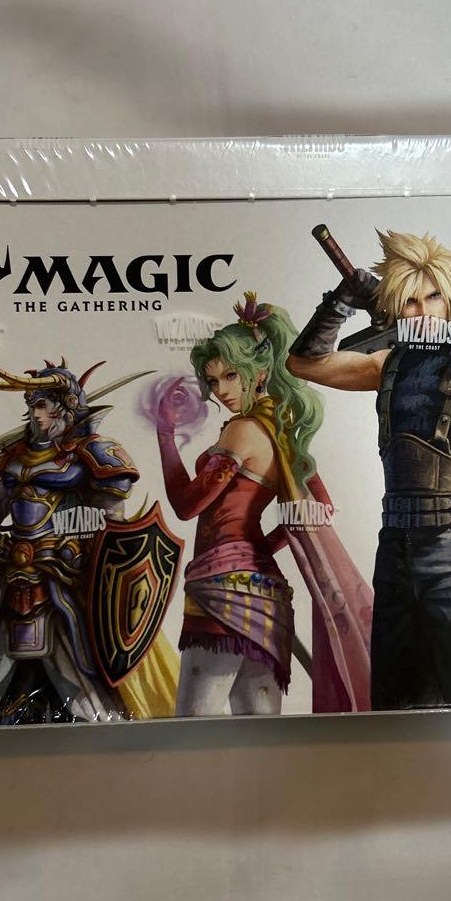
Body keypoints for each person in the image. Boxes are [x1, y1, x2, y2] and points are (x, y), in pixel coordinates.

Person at [288, 230, 451, 710]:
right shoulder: (391, 363)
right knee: (398, 698)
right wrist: (341, 300)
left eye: (432, 297)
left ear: (449, 297)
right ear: (392, 307)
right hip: (396, 546)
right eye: (408, 301)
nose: (423, 311)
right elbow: (305, 363)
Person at [155, 293, 371, 716]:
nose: (221, 391)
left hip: (222, 590)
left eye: (230, 375)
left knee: (192, 726)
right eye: (212, 381)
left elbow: (186, 506)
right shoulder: (283, 432)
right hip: (268, 592)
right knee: (259, 727)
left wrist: (165, 434)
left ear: (260, 372)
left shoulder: (242, 430)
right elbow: (320, 505)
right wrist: (259, 549)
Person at [0, 359, 180, 724]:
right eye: (30, 405)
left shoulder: (94, 456)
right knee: (14, 669)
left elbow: (115, 533)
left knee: (82, 674)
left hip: (68, 583)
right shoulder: (14, 461)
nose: (34, 414)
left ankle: (94, 727)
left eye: (41, 404)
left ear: (66, 406)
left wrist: (80, 552)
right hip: (18, 579)